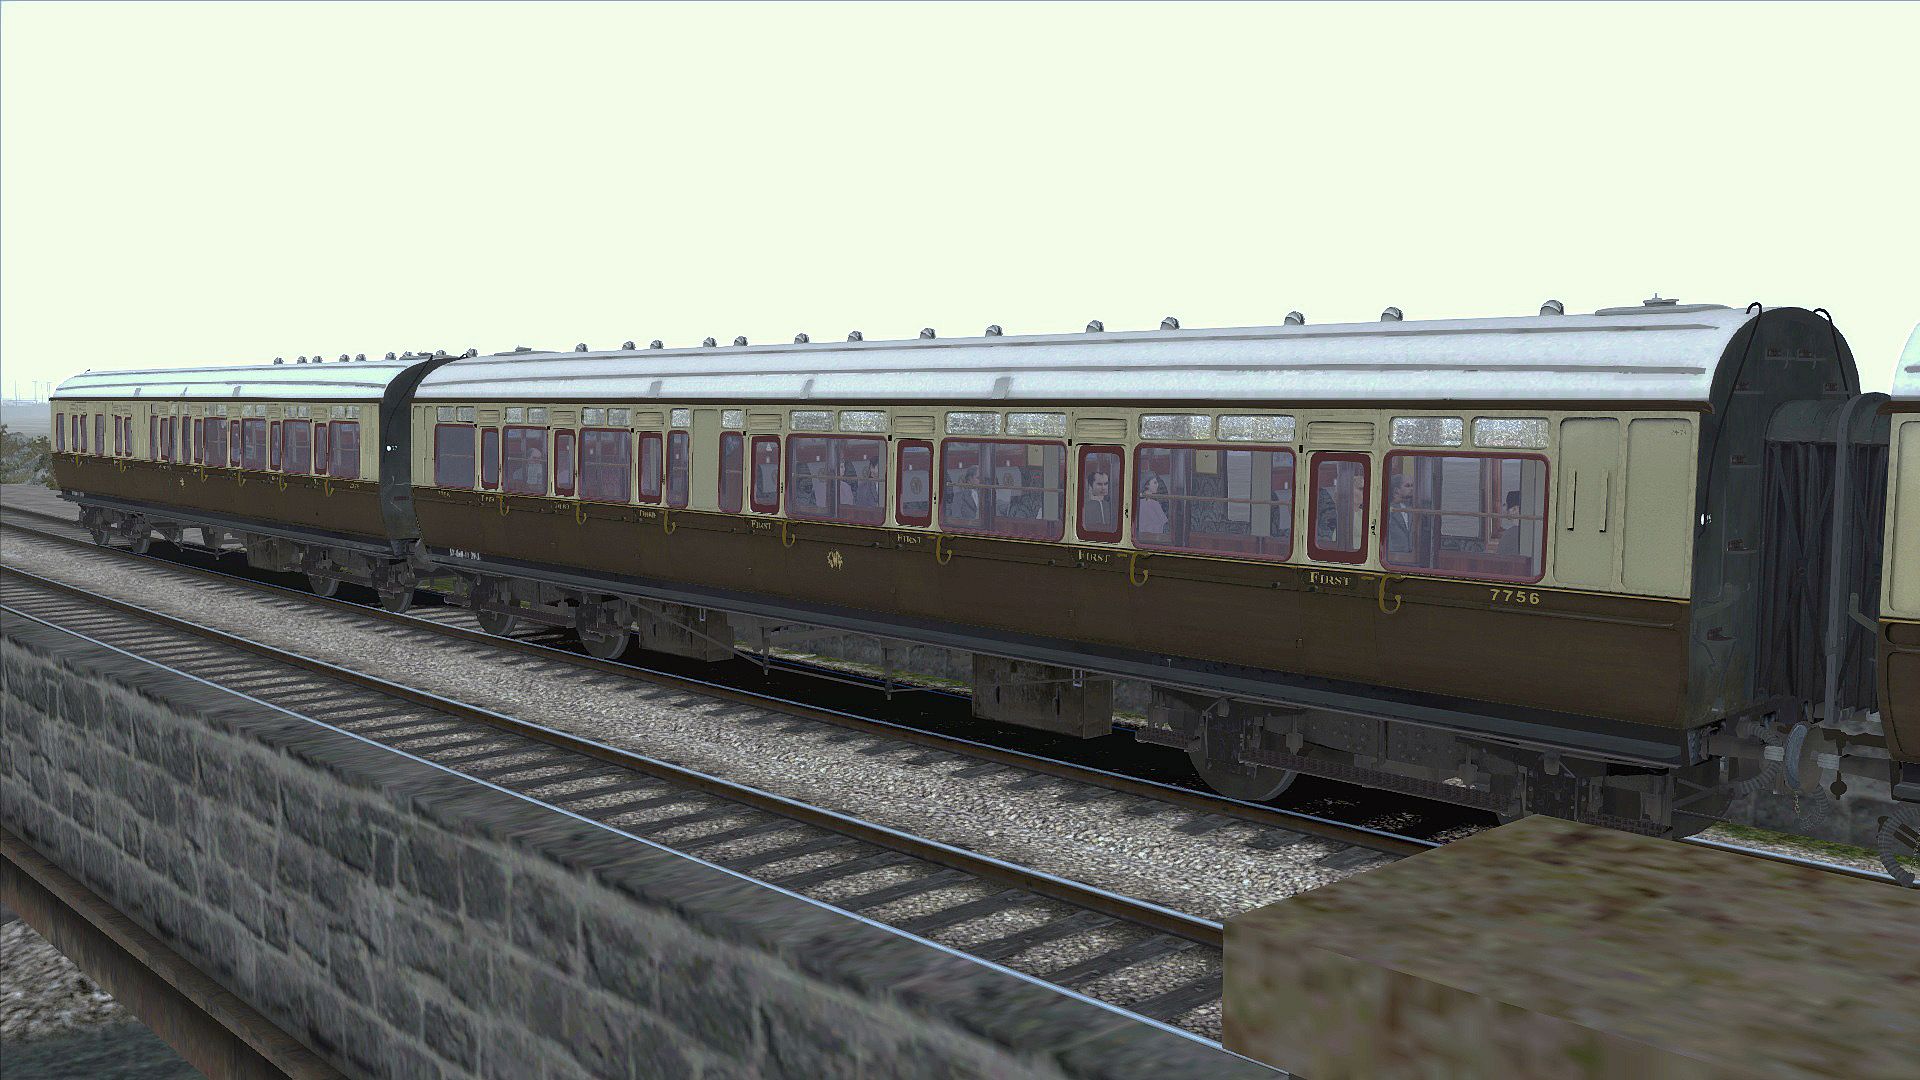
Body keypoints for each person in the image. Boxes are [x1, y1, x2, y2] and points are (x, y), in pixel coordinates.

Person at [1387, 473, 1416, 559]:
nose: (1412, 489)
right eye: (1407, 486)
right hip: (1394, 557)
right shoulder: (1389, 510)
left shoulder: (1412, 509)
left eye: (1412, 486)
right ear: (1396, 490)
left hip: (1411, 556)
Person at [1138, 473, 1171, 537]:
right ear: (1147, 485)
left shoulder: (1140, 503)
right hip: (1154, 535)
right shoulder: (1154, 503)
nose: (1157, 485)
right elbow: (1164, 522)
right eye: (1155, 483)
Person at [1496, 489, 1524, 555]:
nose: (1503, 508)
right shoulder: (1528, 531)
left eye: (1505, 505)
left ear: (1514, 509)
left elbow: (1500, 556)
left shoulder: (1510, 534)